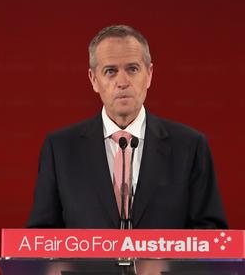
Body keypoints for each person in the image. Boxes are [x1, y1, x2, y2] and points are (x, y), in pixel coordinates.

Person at [27, 25, 227, 229]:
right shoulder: (60, 149)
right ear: (94, 80)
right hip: (85, 263)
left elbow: (211, 234)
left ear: (149, 74)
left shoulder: (190, 146)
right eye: (110, 71)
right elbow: (40, 238)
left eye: (132, 69)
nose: (122, 82)